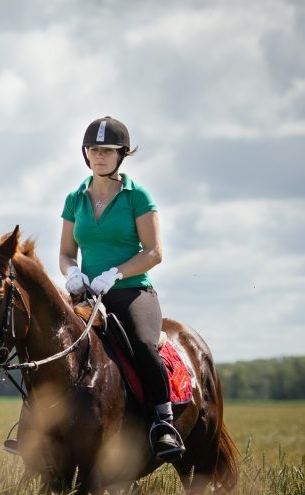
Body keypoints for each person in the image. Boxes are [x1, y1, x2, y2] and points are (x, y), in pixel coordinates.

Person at [57, 116, 184, 461]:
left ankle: (163, 422)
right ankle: (32, 424)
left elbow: (154, 252)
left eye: (107, 151)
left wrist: (115, 273)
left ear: (121, 155)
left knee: (143, 345)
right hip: (86, 295)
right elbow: (67, 253)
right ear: (86, 154)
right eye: (94, 150)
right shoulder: (74, 198)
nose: (99, 156)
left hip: (132, 292)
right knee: (49, 346)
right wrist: (72, 274)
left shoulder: (137, 196)